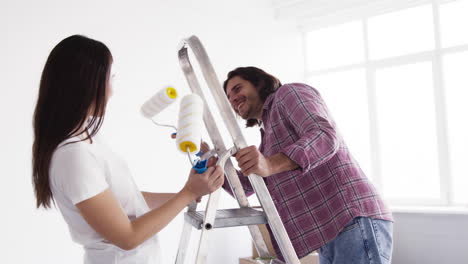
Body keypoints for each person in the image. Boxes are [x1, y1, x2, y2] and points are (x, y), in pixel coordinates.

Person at [31, 35, 224, 264]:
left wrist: (187, 193)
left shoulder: (87, 140)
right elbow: (127, 237)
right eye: (109, 79)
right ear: (85, 84)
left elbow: (121, 202)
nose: (111, 91)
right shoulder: (73, 156)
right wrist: (187, 194)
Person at [219, 66, 393, 263]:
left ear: (258, 82)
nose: (232, 98)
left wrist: (268, 164)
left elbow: (324, 136)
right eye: (228, 96)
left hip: (350, 217)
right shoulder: (267, 138)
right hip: (329, 233)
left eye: (237, 88)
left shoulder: (288, 93)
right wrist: (209, 163)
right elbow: (244, 187)